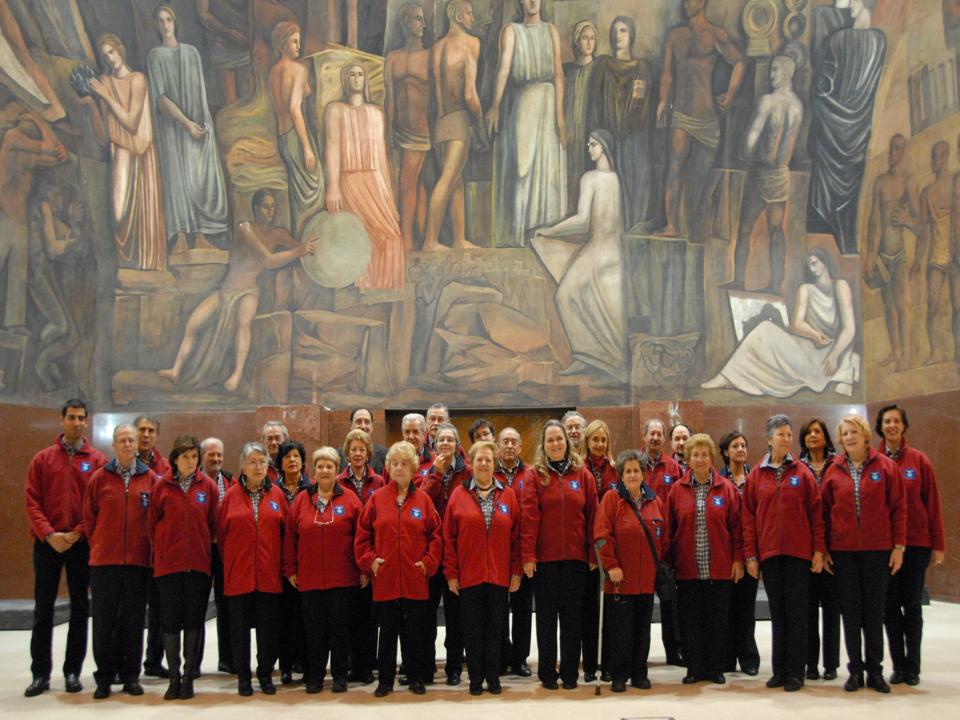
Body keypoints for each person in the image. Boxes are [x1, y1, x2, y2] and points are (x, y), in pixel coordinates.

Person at [157, 190, 316, 392]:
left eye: (273, 206)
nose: (270, 211)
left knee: (243, 323)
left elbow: (303, 251)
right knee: (193, 323)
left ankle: (237, 375)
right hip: (226, 290)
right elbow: (268, 259)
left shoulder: (279, 234)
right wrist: (298, 251)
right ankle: (176, 370)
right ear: (256, 208)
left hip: (248, 291)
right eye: (265, 206)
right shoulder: (244, 228)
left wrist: (307, 250)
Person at [24, 399, 107, 697]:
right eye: (71, 417)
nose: (77, 422)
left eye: (81, 418)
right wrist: (49, 534)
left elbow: (98, 504)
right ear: (62, 420)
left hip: (79, 543)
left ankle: (72, 671)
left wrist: (76, 533)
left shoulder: (96, 460)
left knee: (80, 607)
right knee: (43, 609)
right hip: (47, 543)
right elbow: (32, 501)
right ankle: (40, 674)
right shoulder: (43, 459)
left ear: (86, 422)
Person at [821, 414, 905, 693]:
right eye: (845, 433)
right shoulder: (834, 470)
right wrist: (825, 548)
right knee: (851, 614)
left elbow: (899, 509)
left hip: (877, 552)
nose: (849, 437)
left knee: (874, 613)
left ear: (866, 435)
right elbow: (824, 513)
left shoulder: (886, 467)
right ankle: (855, 670)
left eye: (854, 432)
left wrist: (899, 546)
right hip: (844, 553)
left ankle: (875, 671)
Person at [533, 130, 627, 382]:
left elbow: (583, 221)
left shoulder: (591, 178)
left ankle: (590, 357)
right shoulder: (620, 180)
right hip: (616, 250)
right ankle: (595, 359)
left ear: (604, 147)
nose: (589, 148)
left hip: (598, 248)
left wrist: (551, 231)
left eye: (593, 144)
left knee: (565, 296)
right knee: (605, 306)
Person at [703, 248, 859, 397]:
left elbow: (849, 329)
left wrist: (834, 355)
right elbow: (796, 324)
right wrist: (814, 334)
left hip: (831, 350)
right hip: (808, 345)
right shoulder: (805, 289)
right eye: (809, 265)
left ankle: (735, 378)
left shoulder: (840, 286)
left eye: (814, 263)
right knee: (764, 329)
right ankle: (727, 377)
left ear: (825, 263)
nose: (811, 269)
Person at [742, 415, 825, 692]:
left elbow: (816, 515)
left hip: (798, 555)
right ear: (769, 439)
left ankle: (795, 673)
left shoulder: (802, 473)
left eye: (789, 434)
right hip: (770, 555)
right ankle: (779, 670)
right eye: (781, 434)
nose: (787, 439)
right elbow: (748, 518)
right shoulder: (756, 475)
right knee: (778, 614)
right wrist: (751, 555)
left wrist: (818, 550)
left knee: (797, 614)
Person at [355, 441, 442, 697]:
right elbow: (362, 536)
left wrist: (428, 563)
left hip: (415, 579)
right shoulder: (377, 499)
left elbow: (436, 536)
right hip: (386, 580)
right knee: (387, 635)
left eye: (405, 463)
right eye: (395, 463)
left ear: (413, 468)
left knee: (414, 635)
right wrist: (370, 561)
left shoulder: (423, 500)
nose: (400, 468)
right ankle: (385, 681)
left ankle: (415, 678)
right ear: (388, 468)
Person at [656, 0, 744, 238]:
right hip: (681, 115)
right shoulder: (675, 36)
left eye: (691, 0)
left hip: (707, 119)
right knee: (674, 168)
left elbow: (739, 63)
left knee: (699, 178)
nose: (686, 4)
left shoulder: (715, 34)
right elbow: (667, 73)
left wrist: (730, 94)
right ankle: (672, 226)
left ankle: (694, 228)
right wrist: (663, 101)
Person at [521, 419, 598, 690]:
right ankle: (547, 673)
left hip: (576, 560)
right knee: (546, 620)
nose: (555, 444)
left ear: (567, 442)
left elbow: (593, 516)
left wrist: (593, 553)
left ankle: (569, 673)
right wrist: (528, 555)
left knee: (572, 619)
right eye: (550, 440)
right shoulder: (535, 475)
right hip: (545, 561)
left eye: (559, 439)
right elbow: (529, 518)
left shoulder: (583, 475)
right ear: (544, 445)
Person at [147, 4, 228, 253]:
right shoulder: (155, 56)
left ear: (175, 22)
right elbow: (160, 99)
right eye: (160, 20)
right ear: (155, 26)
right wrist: (186, 124)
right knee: (177, 179)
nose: (165, 25)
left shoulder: (191, 53)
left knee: (199, 177)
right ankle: (181, 237)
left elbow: (200, 95)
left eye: (168, 19)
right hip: (172, 129)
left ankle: (201, 235)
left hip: (196, 125)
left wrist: (202, 126)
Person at [84, 424, 157, 699]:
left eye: (131, 440)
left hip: (138, 562)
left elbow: (155, 520)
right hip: (105, 562)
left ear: (138, 445)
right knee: (104, 621)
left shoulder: (150, 479)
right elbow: (89, 519)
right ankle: (104, 677)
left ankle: (130, 676)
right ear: (113, 445)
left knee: (133, 621)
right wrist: (101, 544)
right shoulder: (100, 478)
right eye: (122, 440)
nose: (127, 444)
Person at [81, 33, 166, 271]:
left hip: (141, 153)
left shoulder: (137, 79)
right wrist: (91, 104)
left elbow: (131, 122)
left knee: (142, 218)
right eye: (105, 55)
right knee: (118, 214)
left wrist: (105, 96)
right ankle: (127, 267)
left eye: (112, 52)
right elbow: (103, 135)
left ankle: (146, 269)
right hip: (119, 152)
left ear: (120, 50)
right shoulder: (104, 82)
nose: (110, 58)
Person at [443, 440, 522, 694]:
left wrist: (516, 571)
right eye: (479, 459)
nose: (484, 464)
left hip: (498, 576)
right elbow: (448, 538)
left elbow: (516, 538)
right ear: (472, 463)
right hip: (470, 576)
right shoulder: (458, 495)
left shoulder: (508, 495)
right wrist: (451, 573)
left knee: (495, 630)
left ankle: (493, 677)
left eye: (488, 459)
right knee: (472, 631)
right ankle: (476, 679)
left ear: (494, 463)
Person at [487, 0, 567, 246]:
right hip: (523, 103)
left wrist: (560, 117)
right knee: (522, 168)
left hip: (548, 105)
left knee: (548, 169)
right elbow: (503, 69)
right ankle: (519, 234)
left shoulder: (551, 30)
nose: (533, 1)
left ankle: (544, 235)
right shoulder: (511, 31)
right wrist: (495, 105)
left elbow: (558, 74)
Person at [284, 447, 364, 693]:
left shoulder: (350, 499)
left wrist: (363, 568)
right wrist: (290, 568)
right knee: (314, 631)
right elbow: (290, 537)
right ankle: (315, 677)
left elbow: (361, 537)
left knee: (340, 631)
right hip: (310, 579)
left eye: (329, 466)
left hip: (343, 578)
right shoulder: (301, 500)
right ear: (314, 471)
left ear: (337, 470)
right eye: (320, 466)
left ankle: (340, 675)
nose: (325, 470)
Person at [666, 432, 743, 684]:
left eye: (704, 454)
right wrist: (670, 565)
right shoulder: (676, 491)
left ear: (711, 458)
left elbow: (737, 529)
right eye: (695, 455)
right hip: (687, 569)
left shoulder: (727, 489)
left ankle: (715, 668)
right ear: (688, 458)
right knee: (691, 622)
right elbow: (669, 530)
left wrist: (738, 560)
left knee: (717, 620)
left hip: (719, 568)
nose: (700, 459)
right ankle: (694, 668)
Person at [876, 405, 946, 686]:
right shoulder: (874, 461)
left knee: (912, 605)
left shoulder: (919, 461)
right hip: (885, 546)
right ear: (880, 427)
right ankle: (898, 665)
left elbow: (933, 505)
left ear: (904, 426)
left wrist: (938, 544)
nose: (891, 425)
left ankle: (913, 667)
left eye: (896, 421)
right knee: (890, 607)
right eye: (887, 421)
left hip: (916, 544)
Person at [724, 55, 803, 295]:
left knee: (745, 229)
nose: (771, 75)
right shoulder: (797, 106)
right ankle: (776, 285)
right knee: (776, 230)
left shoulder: (767, 102)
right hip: (781, 174)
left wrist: (743, 155)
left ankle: (739, 280)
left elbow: (749, 142)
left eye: (776, 70)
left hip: (761, 173)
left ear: (788, 73)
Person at [325, 62, 405, 291]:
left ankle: (386, 286)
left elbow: (381, 155)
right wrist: (333, 187)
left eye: (360, 74)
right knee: (360, 234)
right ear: (345, 79)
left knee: (391, 233)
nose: (356, 78)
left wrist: (388, 193)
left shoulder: (376, 112)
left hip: (375, 179)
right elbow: (332, 149)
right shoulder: (335, 110)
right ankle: (364, 285)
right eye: (352, 74)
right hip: (349, 181)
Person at [149, 435, 218, 700]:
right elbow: (152, 524)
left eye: (194, 457)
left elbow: (213, 524)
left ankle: (188, 676)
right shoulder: (161, 486)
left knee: (193, 620)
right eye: (185, 457)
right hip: (169, 566)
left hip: (198, 566)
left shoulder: (207, 487)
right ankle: (174, 677)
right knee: (169, 621)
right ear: (175, 459)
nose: (190, 462)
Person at [218, 441, 287, 696]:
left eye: (262, 462)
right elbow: (222, 537)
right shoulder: (230, 497)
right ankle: (244, 678)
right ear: (243, 467)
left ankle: (265, 674)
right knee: (240, 630)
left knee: (268, 630)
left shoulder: (277, 495)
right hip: (239, 575)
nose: (258, 467)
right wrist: (234, 562)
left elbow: (285, 534)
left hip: (269, 574)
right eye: (252, 462)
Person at [594, 449, 666, 691]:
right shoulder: (611, 499)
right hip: (620, 580)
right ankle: (619, 675)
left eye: (636, 470)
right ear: (621, 475)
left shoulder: (655, 502)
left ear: (643, 474)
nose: (633, 475)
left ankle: (639, 673)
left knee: (642, 630)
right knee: (620, 632)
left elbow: (663, 539)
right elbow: (602, 536)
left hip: (646, 580)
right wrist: (611, 565)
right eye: (628, 471)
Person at [0, 107, 67, 332]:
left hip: (18, 220)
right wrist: (38, 119)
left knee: (19, 272)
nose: (26, 121)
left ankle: (15, 324)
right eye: (24, 118)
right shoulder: (12, 139)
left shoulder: (26, 156)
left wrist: (38, 122)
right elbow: (50, 147)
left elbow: (56, 156)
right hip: (4, 218)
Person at [424, 0, 483, 251]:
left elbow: (436, 93)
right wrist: (480, 122)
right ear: (458, 16)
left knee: (455, 180)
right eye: (469, 13)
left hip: (440, 121)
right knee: (448, 180)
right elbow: (470, 94)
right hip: (459, 118)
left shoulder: (437, 47)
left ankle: (459, 239)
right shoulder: (471, 43)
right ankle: (430, 241)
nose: (472, 18)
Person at [593, 16, 655, 231]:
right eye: (615, 31)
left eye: (623, 30)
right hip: (609, 135)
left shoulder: (641, 68)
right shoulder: (603, 66)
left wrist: (629, 125)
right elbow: (597, 102)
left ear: (631, 36)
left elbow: (641, 100)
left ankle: (634, 225)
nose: (617, 35)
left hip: (633, 134)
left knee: (636, 178)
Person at [421, 422, 471, 684]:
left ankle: (454, 668)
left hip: (457, 553)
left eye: (450, 440)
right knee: (427, 615)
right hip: (431, 552)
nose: (445, 444)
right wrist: (437, 475)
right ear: (433, 445)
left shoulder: (468, 472)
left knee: (456, 616)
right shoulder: (427, 471)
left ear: (457, 445)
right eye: (441, 440)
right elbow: (420, 501)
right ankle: (426, 667)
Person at [865, 134, 919, 371]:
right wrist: (870, 254)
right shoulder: (880, 182)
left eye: (898, 149)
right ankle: (895, 350)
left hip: (899, 254)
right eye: (891, 149)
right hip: (882, 256)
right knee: (888, 305)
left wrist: (907, 220)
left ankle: (906, 354)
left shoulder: (908, 181)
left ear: (903, 152)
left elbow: (920, 223)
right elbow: (874, 220)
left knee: (902, 304)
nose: (893, 153)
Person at [336, 428, 384, 683]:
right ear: (347, 453)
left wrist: (368, 563)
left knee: (367, 617)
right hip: (344, 557)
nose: (357, 453)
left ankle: (365, 667)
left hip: (369, 555)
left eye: (361, 450)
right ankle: (347, 666)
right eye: (353, 449)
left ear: (368, 454)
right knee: (346, 616)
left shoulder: (378, 483)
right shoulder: (337, 482)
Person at [268, 21, 324, 235]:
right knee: (314, 190)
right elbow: (294, 108)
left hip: (282, 136)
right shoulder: (298, 70)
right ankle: (313, 240)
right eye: (293, 41)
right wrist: (307, 147)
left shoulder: (273, 71)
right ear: (282, 44)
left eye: (299, 41)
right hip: (296, 135)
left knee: (297, 192)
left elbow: (300, 93)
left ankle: (301, 240)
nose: (299, 46)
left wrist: (303, 85)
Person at [385, 3, 430, 251]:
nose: (423, 24)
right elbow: (390, 99)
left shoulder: (430, 56)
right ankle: (419, 235)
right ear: (404, 23)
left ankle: (407, 241)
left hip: (422, 130)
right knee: (414, 183)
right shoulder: (393, 58)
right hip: (400, 130)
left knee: (407, 182)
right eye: (417, 19)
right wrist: (387, 132)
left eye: (422, 19)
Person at [639, 418, 683, 665]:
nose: (655, 438)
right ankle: (638, 655)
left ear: (664, 439)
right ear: (644, 437)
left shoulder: (673, 468)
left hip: (665, 547)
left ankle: (674, 652)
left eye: (659, 434)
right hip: (639, 548)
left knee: (670, 603)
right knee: (641, 604)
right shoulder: (635, 465)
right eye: (651, 433)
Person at [799, 418, 840, 680]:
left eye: (818, 431)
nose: (813, 435)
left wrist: (826, 549)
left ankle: (831, 664)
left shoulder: (839, 465)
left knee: (832, 609)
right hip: (806, 549)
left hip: (834, 549)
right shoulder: (797, 468)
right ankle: (810, 664)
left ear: (826, 437)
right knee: (808, 609)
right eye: (808, 432)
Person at [914, 140, 960, 366]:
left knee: (957, 305)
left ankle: (958, 352)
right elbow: (923, 232)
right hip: (936, 254)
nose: (933, 161)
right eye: (932, 156)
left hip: (957, 253)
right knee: (932, 303)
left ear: (945, 157)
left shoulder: (956, 183)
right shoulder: (927, 193)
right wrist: (917, 261)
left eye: (936, 156)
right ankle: (935, 352)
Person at [718, 430, 759, 675]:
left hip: (750, 551)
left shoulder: (755, 478)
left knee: (746, 608)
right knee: (727, 608)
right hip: (726, 554)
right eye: (735, 446)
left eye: (743, 445)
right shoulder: (718, 480)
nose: (741, 449)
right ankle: (726, 657)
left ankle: (748, 657)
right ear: (725, 452)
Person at [495, 426, 534, 676]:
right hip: (497, 552)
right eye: (505, 442)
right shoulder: (489, 472)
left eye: (513, 442)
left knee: (522, 609)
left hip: (524, 549)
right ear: (497, 446)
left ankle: (519, 659)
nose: (509, 446)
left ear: (520, 447)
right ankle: (501, 656)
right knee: (499, 609)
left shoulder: (530, 474)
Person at [134, 416, 171, 679]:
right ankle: (127, 664)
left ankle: (154, 661)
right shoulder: (122, 465)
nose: (145, 435)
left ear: (157, 435)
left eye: (150, 431)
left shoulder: (166, 467)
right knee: (132, 611)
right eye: (141, 430)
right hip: (133, 550)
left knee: (158, 610)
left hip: (158, 552)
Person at [581, 419, 616, 681]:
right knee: (589, 610)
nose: (600, 444)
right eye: (595, 439)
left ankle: (609, 662)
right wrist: (592, 552)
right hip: (587, 550)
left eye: (603, 440)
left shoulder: (615, 470)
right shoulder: (579, 468)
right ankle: (590, 664)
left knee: (611, 610)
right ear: (587, 441)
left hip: (611, 546)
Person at [275, 439, 310, 685]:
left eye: (296, 456)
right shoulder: (273, 489)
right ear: (280, 463)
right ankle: (285, 665)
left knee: (305, 617)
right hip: (278, 561)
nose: (292, 460)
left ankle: (305, 663)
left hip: (306, 561)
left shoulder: (312, 488)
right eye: (287, 457)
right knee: (284, 618)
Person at [200, 437, 235, 673]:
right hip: (201, 550)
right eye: (211, 454)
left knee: (225, 604)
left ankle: (227, 659)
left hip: (223, 550)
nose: (216, 459)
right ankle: (193, 664)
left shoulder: (230, 481)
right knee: (198, 606)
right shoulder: (196, 482)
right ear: (202, 456)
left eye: (219, 454)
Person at [562, 20, 597, 209]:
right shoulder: (567, 71)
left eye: (592, 38)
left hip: (588, 126)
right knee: (568, 167)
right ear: (577, 41)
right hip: (569, 125)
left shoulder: (599, 70)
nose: (589, 42)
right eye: (585, 38)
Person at [341, 407, 387, 475]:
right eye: (358, 422)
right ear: (351, 426)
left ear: (372, 427)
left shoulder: (385, 455)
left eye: (367, 422)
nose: (363, 426)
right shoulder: (338, 456)